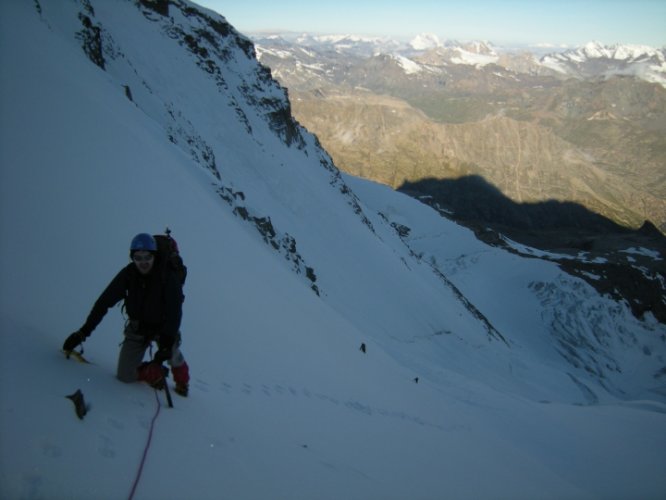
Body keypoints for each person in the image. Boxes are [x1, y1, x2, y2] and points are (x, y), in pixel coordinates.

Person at [63, 233, 190, 396]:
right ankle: (152, 373)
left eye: (147, 257)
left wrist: (165, 345)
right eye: (138, 258)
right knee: (124, 376)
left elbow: (174, 312)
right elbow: (103, 302)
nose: (143, 262)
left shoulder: (167, 276)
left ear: (154, 256)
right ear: (132, 258)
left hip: (163, 327)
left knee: (173, 354)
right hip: (138, 328)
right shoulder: (129, 275)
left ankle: (182, 382)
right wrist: (83, 332)